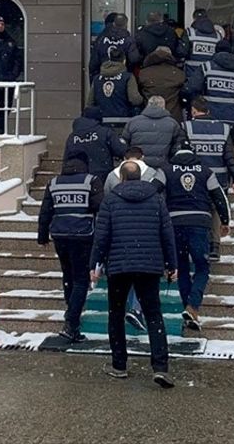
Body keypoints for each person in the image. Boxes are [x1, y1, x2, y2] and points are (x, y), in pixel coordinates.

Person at [90, 161, 177, 388]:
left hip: (119, 264)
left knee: (116, 313)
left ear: (121, 178)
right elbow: (167, 233)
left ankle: (119, 365)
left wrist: (95, 264)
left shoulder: (110, 200)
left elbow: (102, 236)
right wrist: (171, 264)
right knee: (153, 315)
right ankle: (160, 367)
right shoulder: (157, 199)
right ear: (141, 177)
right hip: (149, 265)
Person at [163, 145, 230, 331]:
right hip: (199, 223)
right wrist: (225, 220)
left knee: (181, 268)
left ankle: (189, 309)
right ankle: (192, 307)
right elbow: (219, 196)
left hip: (174, 223)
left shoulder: (166, 170)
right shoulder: (205, 171)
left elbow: (154, 189)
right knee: (202, 266)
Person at [37, 155, 103, 343]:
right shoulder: (91, 181)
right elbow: (100, 206)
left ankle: (71, 310)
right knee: (81, 279)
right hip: (83, 235)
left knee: (68, 275)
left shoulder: (54, 182)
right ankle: (71, 322)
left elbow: (46, 210)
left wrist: (42, 236)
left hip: (59, 235)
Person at [183, 100, 234, 263]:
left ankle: (197, 246)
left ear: (194, 111)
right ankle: (214, 247)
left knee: (196, 211)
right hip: (219, 179)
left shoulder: (187, 127)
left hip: (195, 179)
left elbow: (184, 155)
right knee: (216, 211)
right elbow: (230, 157)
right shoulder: (224, 128)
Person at [185, 39, 234, 141]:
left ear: (216, 51)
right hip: (230, 119)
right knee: (227, 151)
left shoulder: (207, 68)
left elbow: (190, 88)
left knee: (211, 150)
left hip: (209, 117)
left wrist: (191, 107)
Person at [63, 106, 126, 185]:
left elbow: (66, 158)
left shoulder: (72, 136)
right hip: (102, 175)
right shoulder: (105, 132)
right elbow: (120, 150)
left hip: (78, 177)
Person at [123, 94, 188, 171]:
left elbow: (124, 143)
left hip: (138, 166)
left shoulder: (133, 122)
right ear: (163, 107)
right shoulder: (172, 123)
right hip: (162, 166)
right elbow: (178, 144)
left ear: (147, 105)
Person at [87, 48, 143, 130]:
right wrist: (142, 99)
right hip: (123, 121)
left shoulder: (97, 78)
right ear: (124, 61)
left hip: (102, 122)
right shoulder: (127, 77)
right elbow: (135, 100)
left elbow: (90, 103)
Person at [137, 46, 187, 121]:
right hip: (172, 118)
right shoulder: (179, 74)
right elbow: (185, 93)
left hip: (149, 116)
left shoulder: (144, 74)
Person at [89, 13, 141, 77]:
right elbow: (134, 59)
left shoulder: (101, 39)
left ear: (113, 23)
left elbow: (94, 63)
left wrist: (94, 79)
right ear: (126, 25)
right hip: (122, 77)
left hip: (104, 76)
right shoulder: (129, 40)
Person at [180, 8, 224, 75]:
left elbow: (182, 51)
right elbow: (221, 56)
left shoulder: (189, 32)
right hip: (210, 73)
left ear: (194, 19)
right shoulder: (218, 35)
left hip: (191, 72)